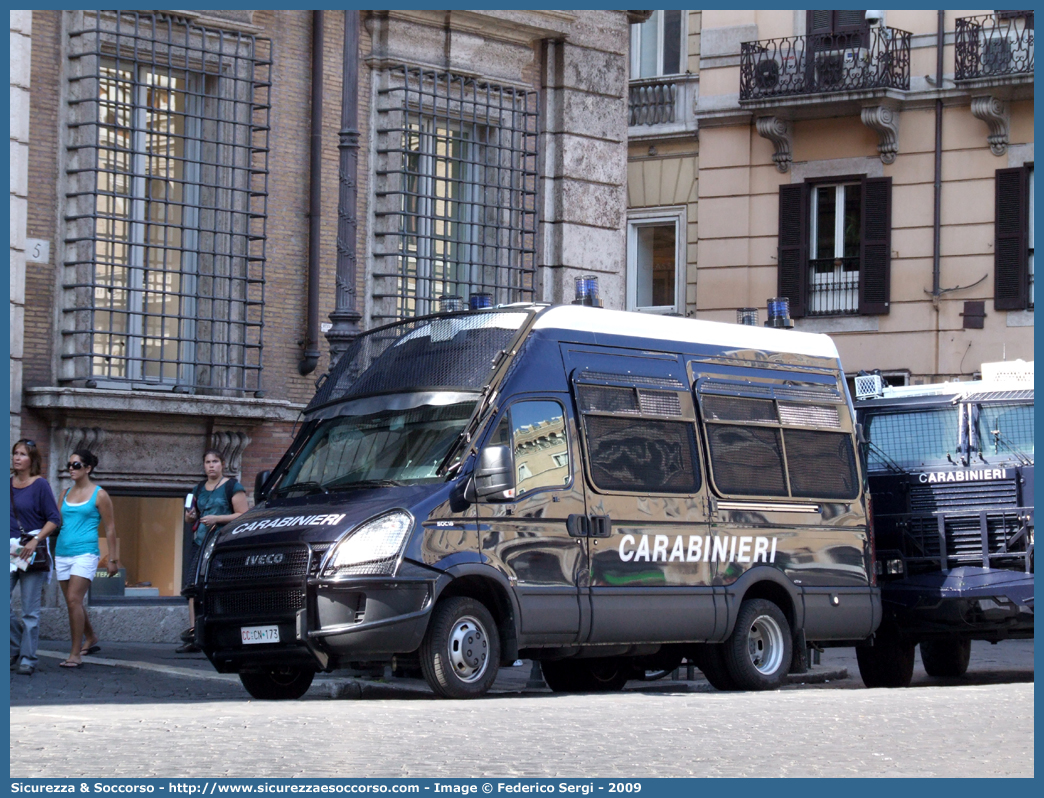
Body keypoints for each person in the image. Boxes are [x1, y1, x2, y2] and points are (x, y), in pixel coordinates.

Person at [178, 449, 247, 653]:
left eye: (215, 461)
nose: (211, 466)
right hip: (200, 542)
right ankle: (194, 635)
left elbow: (243, 515)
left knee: (218, 588)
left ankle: (222, 633)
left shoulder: (233, 486)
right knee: (193, 587)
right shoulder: (198, 488)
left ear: (222, 464)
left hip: (221, 544)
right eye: (207, 462)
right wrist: (191, 517)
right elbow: (189, 517)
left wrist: (218, 519)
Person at [55, 449, 118, 668]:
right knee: (73, 603)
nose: (71, 469)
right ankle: (91, 637)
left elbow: (110, 528)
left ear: (88, 468)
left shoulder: (99, 494)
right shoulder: (64, 494)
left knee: (73, 600)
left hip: (86, 552)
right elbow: (56, 523)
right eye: (69, 465)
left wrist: (113, 559)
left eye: (76, 465)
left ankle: (75, 654)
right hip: (62, 552)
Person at [10, 439, 61, 676]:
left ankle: (27, 658)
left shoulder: (40, 485)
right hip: (9, 551)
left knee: (30, 610)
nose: (17, 458)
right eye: (15, 453)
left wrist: (36, 539)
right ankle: (16, 646)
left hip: (31, 551)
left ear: (32, 460)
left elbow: (54, 519)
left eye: (22, 454)